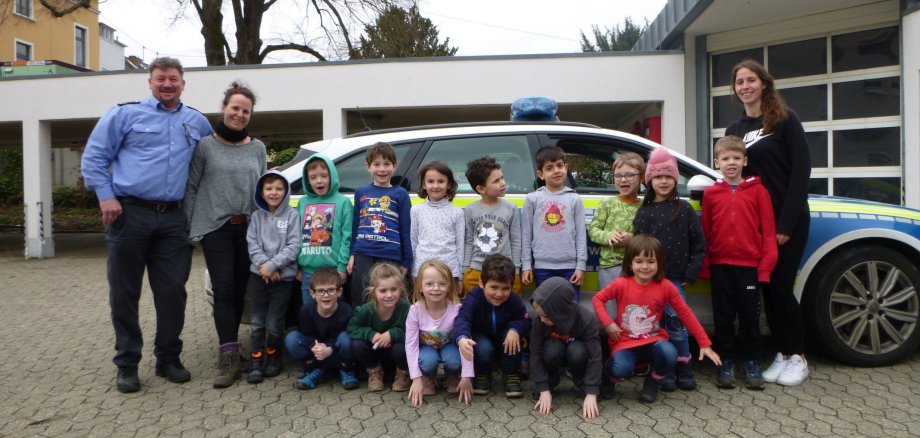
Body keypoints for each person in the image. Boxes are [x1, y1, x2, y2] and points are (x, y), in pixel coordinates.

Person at [81, 57, 213, 393]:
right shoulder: (124, 114)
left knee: (172, 293)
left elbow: (213, 163)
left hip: (173, 218)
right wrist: (106, 196)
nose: (167, 84)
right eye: (160, 79)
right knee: (125, 293)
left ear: (183, 83)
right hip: (129, 214)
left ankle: (168, 358)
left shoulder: (196, 122)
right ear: (150, 82)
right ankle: (127, 364)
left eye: (173, 79)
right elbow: (94, 158)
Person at [726, 59, 812, 386]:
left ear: (764, 83)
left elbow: (801, 171)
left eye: (750, 80)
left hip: (786, 221)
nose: (745, 86)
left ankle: (798, 356)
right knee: (766, 289)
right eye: (739, 82)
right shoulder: (734, 130)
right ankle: (782, 352)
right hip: (756, 224)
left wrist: (786, 224)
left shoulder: (785, 121)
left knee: (780, 287)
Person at [182, 81, 267, 388]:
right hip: (216, 229)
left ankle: (238, 351)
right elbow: (191, 187)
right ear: (223, 108)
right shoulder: (205, 146)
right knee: (224, 291)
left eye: (246, 110)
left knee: (241, 291)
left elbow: (263, 191)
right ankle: (228, 358)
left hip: (248, 229)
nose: (240, 114)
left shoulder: (257, 148)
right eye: (235, 108)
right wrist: (192, 230)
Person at [592, 235, 721, 403]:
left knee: (670, 353)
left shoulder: (666, 286)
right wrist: (608, 323)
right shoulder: (621, 283)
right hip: (624, 342)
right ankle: (609, 378)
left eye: (651, 261)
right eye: (639, 261)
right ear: (630, 263)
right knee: (622, 368)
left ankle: (653, 382)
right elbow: (597, 299)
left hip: (653, 340)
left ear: (659, 263)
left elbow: (685, 313)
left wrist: (704, 343)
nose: (645, 266)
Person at [702, 135, 778, 390]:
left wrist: (764, 269)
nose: (731, 163)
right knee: (723, 318)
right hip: (720, 266)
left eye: (736, 158)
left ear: (745, 160)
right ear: (716, 162)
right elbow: (706, 232)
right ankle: (726, 363)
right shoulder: (712, 194)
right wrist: (706, 266)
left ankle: (752, 363)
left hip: (749, 267)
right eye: (725, 158)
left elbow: (768, 233)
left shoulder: (759, 191)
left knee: (749, 319)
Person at [633, 146, 706, 391]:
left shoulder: (684, 209)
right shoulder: (644, 213)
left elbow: (699, 244)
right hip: (648, 283)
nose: (663, 181)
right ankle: (664, 370)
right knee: (655, 329)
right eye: (657, 176)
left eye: (668, 176)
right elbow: (637, 249)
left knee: (677, 328)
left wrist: (690, 274)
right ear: (649, 180)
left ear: (675, 179)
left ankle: (684, 368)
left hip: (675, 281)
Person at [243, 171, 300, 386]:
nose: (274, 193)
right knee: (257, 320)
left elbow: (294, 245)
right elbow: (252, 244)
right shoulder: (256, 217)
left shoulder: (292, 215)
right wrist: (264, 266)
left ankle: (273, 357)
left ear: (286, 191)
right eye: (269, 188)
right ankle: (256, 361)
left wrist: (273, 265)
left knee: (275, 322)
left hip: (282, 279)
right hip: (259, 277)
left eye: (278, 188)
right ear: (261, 192)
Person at [454, 254, 532, 398]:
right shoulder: (474, 297)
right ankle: (483, 373)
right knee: (483, 347)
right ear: (481, 283)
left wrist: (515, 329)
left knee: (514, 339)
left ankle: (511, 373)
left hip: (504, 335)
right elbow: (462, 318)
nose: (499, 294)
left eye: (505, 288)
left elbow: (525, 320)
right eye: (494, 287)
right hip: (482, 335)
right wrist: (462, 337)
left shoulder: (514, 300)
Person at [347, 142, 412, 305]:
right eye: (376, 164)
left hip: (390, 254)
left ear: (394, 166)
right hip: (363, 253)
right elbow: (356, 224)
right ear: (368, 167)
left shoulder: (401, 194)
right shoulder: (361, 192)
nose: (382, 169)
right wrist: (352, 254)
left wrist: (406, 262)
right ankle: (364, 330)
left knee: (388, 298)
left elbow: (406, 229)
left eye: (387, 164)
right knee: (361, 298)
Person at [530, 277, 603, 419]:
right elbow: (535, 353)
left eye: (546, 316)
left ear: (559, 312)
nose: (542, 320)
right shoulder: (540, 321)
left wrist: (592, 392)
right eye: (540, 316)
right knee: (552, 349)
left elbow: (595, 356)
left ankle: (580, 380)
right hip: (554, 351)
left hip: (576, 352)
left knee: (578, 352)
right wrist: (543, 388)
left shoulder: (586, 319)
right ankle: (551, 380)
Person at [521, 146, 587, 301]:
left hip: (570, 268)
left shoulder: (575, 199)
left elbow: (581, 235)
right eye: (549, 168)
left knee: (570, 310)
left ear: (566, 167)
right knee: (545, 310)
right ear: (541, 174)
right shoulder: (532, 199)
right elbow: (526, 235)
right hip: (542, 267)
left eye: (559, 165)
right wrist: (526, 266)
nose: (556, 171)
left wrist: (581, 266)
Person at [405, 260, 474, 407]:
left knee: (453, 360)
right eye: (429, 284)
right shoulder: (415, 311)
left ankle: (452, 375)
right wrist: (416, 380)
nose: (436, 288)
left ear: (449, 286)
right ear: (420, 287)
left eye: (442, 284)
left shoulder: (457, 309)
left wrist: (466, 376)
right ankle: (427, 377)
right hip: (427, 349)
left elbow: (466, 343)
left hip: (449, 346)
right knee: (428, 362)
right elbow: (411, 346)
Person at [284, 268, 358, 390]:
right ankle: (314, 370)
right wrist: (318, 348)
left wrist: (329, 349)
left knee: (346, 338)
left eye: (331, 290)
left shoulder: (346, 311)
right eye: (320, 291)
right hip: (317, 354)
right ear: (312, 293)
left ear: (339, 292)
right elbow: (307, 335)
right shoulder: (306, 311)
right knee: (292, 338)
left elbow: (345, 337)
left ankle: (347, 370)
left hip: (337, 353)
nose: (326, 295)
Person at [296, 153, 353, 305]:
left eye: (324, 176)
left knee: (333, 314)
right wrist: (296, 266)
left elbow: (347, 237)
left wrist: (342, 266)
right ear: (307, 179)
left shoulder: (343, 202)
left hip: (333, 272)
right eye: (313, 177)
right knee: (309, 313)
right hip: (308, 272)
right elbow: (296, 235)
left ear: (332, 176)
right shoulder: (302, 203)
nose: (319, 181)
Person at [462, 156, 523, 295]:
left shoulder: (511, 208)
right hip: (476, 271)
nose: (502, 183)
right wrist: (465, 271)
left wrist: (517, 270)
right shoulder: (470, 210)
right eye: (496, 181)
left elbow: (516, 240)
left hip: (506, 272)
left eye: (502, 178)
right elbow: (469, 241)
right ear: (481, 189)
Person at [347, 262, 411, 392]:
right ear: (373, 291)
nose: (389, 295)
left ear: (401, 288)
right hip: (374, 352)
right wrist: (371, 334)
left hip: (396, 354)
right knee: (357, 344)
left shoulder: (406, 308)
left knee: (402, 348)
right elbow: (352, 328)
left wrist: (393, 334)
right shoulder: (366, 310)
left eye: (394, 289)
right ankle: (375, 371)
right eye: (383, 291)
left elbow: (413, 333)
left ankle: (403, 373)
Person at [588, 152, 646, 288]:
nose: (623, 179)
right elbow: (593, 230)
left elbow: (649, 236)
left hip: (637, 266)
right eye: (618, 175)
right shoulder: (607, 204)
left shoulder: (645, 206)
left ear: (642, 178)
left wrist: (633, 239)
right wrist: (608, 235)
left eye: (630, 175)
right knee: (610, 306)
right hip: (610, 266)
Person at [410, 161, 464, 280]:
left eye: (441, 181)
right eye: (430, 181)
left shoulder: (457, 212)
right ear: (423, 184)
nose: (435, 186)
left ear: (449, 184)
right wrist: (414, 272)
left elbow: (460, 246)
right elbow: (413, 242)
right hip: (422, 270)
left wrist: (460, 276)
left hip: (449, 270)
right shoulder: (416, 210)